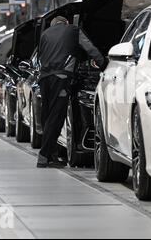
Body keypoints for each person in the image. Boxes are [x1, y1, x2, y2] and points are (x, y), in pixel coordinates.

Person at [37, 16, 105, 168]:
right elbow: (90, 48)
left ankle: (51, 156)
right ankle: (43, 156)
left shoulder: (45, 34)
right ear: (66, 23)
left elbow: (41, 56)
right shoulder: (73, 30)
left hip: (44, 79)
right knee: (57, 116)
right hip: (61, 77)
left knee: (47, 116)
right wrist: (103, 64)